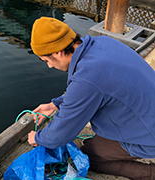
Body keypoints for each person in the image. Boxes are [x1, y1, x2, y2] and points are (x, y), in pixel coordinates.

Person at [27, 16, 155, 179]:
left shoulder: (87, 77)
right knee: (94, 144)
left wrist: (36, 137)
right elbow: (88, 91)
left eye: (47, 60)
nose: (50, 66)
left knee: (88, 158)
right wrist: (55, 104)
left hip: (148, 133)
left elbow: (60, 134)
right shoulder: (102, 43)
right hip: (146, 111)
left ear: (57, 52)